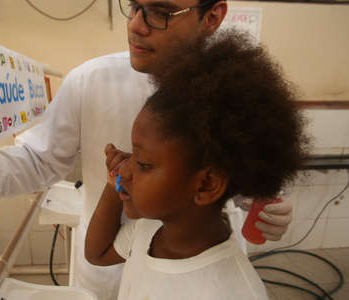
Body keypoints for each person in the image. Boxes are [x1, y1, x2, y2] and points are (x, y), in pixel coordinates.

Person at [0, 1, 293, 299]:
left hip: (200, 273)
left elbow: (233, 177)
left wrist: (262, 201)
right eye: (135, 6)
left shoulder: (239, 97)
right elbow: (37, 161)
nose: (136, 25)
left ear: (212, 17)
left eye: (159, 11)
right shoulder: (92, 80)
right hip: (111, 274)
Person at [85, 30, 308, 300]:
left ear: (206, 184)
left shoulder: (234, 292)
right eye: (133, 154)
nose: (126, 168)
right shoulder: (149, 231)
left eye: (143, 163)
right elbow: (96, 254)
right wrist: (115, 184)